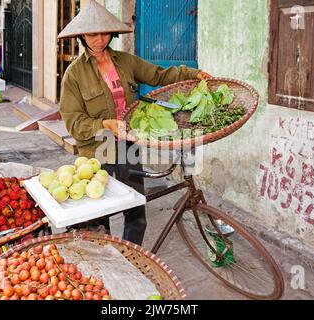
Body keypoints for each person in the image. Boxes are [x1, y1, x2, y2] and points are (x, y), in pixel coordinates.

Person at [58, 0, 212, 246]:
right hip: (97, 150)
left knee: (136, 212)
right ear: (82, 36)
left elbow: (158, 75)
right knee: (100, 216)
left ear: (112, 33)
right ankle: (107, 264)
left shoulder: (126, 62)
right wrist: (105, 124)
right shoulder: (74, 75)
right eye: (92, 34)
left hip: (128, 146)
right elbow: (74, 123)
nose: (99, 39)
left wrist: (192, 74)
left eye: (104, 33)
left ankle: (132, 258)